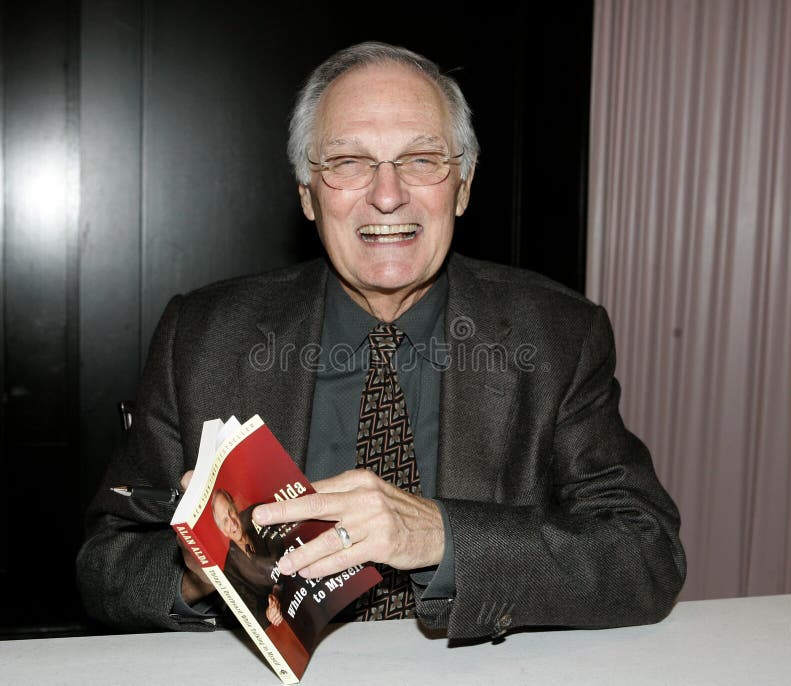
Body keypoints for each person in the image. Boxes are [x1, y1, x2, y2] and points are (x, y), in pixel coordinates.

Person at [77, 41, 686, 639]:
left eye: (421, 160)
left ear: (464, 186)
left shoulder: (556, 335)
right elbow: (106, 564)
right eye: (348, 163)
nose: (388, 194)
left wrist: (440, 534)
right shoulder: (204, 336)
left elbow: (645, 555)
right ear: (307, 195)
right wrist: (200, 572)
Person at [210, 489, 284, 628]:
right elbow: (253, 611)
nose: (232, 522)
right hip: (279, 623)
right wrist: (270, 612)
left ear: (236, 509)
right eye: (225, 521)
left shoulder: (257, 515)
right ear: (223, 531)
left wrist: (276, 592)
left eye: (230, 512)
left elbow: (283, 550)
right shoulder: (231, 571)